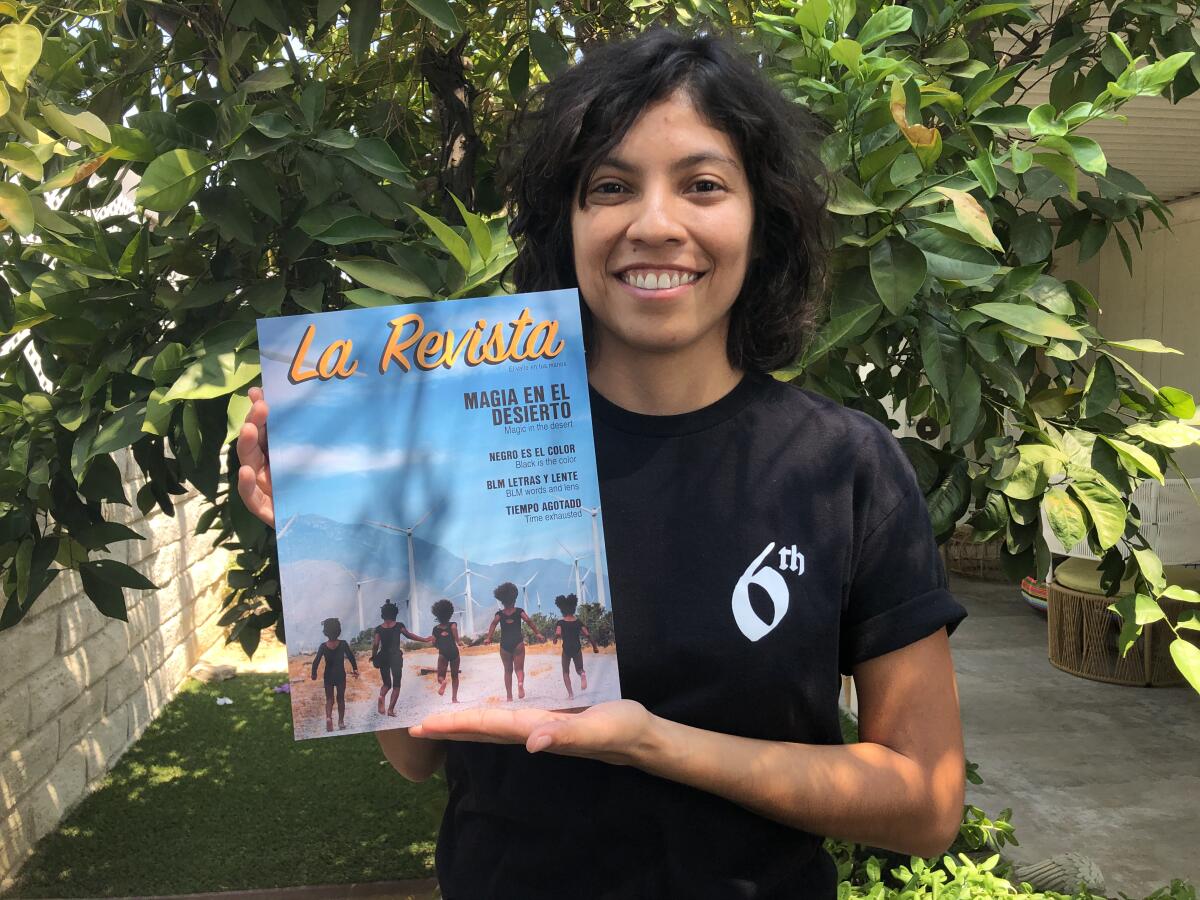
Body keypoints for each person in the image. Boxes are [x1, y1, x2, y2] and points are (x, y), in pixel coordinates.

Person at [238, 28, 967, 899]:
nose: (655, 225)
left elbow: (926, 802)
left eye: (703, 185)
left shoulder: (843, 466)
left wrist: (655, 743)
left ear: (761, 220)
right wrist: (331, 541)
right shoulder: (482, 444)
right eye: (611, 188)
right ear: (568, 224)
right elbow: (414, 758)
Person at [483, 581, 545, 701]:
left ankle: (509, 697)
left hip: (504, 645)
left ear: (502, 600)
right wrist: (537, 633)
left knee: (507, 671)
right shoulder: (519, 611)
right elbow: (529, 621)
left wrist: (489, 638)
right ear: (514, 599)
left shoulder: (499, 614)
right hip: (518, 643)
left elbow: (493, 624)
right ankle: (520, 683)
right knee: (519, 669)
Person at [371, 600, 430, 717]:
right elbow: (409, 635)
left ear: (383, 614)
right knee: (396, 685)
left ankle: (381, 696)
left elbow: (375, 644)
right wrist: (424, 639)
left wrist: (373, 655)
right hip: (395, 657)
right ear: (395, 613)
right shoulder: (399, 626)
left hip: (383, 656)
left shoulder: (379, 628)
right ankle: (390, 710)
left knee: (386, 683)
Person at [309, 617, 359, 732]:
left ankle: (328, 718)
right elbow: (351, 657)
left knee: (329, 699)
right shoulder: (343, 644)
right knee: (341, 699)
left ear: (325, 632)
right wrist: (355, 669)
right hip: (340, 675)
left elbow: (316, 661)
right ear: (338, 630)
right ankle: (341, 722)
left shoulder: (323, 646)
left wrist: (314, 674)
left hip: (328, 675)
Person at [552, 593, 598, 700]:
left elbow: (558, 632)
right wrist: (594, 647)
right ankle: (582, 674)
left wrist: (555, 638)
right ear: (573, 608)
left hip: (566, 649)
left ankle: (571, 695)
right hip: (577, 648)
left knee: (565, 672)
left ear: (561, 608)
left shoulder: (561, 622)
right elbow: (587, 634)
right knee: (579, 668)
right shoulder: (578, 622)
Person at [430, 598, 464, 703]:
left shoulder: (435, 629)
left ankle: (443, 682)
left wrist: (439, 646)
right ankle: (454, 698)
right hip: (454, 652)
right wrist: (459, 642)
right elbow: (457, 639)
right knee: (455, 676)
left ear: (437, 615)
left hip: (443, 653)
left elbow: (433, 643)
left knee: (440, 676)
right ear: (450, 613)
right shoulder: (453, 625)